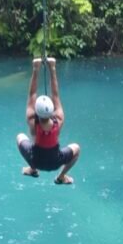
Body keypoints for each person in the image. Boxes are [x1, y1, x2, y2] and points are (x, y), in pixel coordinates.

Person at [16, 57, 80, 185]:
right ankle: (61, 176)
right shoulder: (59, 120)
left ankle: (32, 169)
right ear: (52, 111)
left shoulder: (32, 121)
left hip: (35, 161)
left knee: (20, 137)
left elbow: (32, 94)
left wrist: (36, 69)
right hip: (55, 162)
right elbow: (55, 95)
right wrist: (52, 68)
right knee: (76, 148)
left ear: (36, 111)